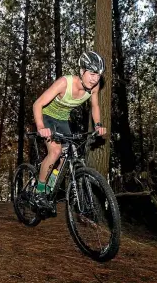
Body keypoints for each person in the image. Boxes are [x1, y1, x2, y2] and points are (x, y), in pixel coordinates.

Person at [32, 51, 107, 208]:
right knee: (55, 151)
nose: (95, 78)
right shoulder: (64, 83)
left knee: (69, 154)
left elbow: (95, 106)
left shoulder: (94, 87)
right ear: (81, 71)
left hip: (63, 120)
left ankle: (49, 188)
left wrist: (98, 124)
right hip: (47, 117)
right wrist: (40, 127)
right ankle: (39, 191)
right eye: (92, 73)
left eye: (98, 75)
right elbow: (37, 104)